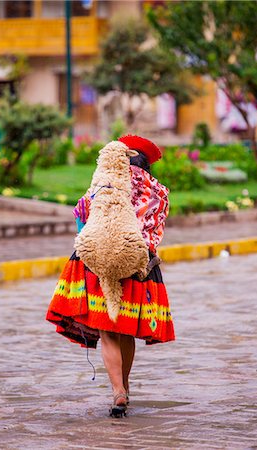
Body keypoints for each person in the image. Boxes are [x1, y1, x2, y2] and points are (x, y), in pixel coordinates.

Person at [46, 134, 176, 417]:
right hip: (139, 268)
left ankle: (117, 390)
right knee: (126, 330)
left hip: (99, 264)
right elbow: (155, 231)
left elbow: (81, 213)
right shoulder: (159, 193)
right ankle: (124, 388)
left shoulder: (105, 183)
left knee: (108, 331)